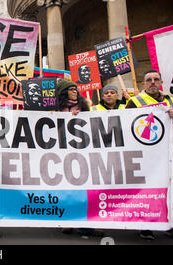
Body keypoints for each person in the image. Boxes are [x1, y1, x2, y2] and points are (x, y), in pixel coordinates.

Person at [126, 69, 173, 241]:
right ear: (144, 83)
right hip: (146, 153)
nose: (152, 82)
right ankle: (146, 226)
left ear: (160, 83)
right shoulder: (135, 101)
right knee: (147, 190)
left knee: (172, 189)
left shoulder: (170, 100)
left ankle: (172, 225)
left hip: (168, 152)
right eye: (149, 79)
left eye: (156, 79)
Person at [56, 78, 105, 237]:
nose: (75, 91)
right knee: (66, 189)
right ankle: (67, 222)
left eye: (75, 89)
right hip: (62, 154)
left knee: (83, 189)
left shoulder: (85, 108)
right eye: (71, 89)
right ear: (63, 93)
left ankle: (86, 224)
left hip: (83, 154)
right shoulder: (55, 110)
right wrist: (67, 117)